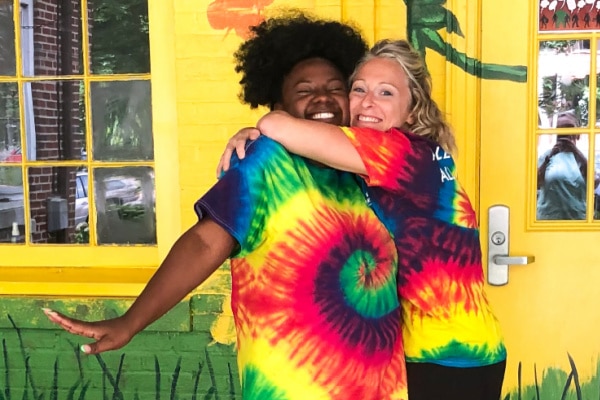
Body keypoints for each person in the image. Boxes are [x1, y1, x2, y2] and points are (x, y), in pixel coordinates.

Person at [44, 13, 408, 400]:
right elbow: (206, 241)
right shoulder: (266, 163)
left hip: (382, 385)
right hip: (296, 386)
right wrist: (131, 321)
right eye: (304, 90)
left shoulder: (367, 166)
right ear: (277, 106)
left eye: (336, 88)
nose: (322, 98)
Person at [221, 38, 507, 400]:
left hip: (449, 357)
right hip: (452, 349)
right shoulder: (395, 157)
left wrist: (264, 128)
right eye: (359, 89)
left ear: (412, 108)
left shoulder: (400, 154)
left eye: (386, 93)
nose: (368, 102)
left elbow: (280, 126)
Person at [537, 112, 588, 220]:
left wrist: (576, 152)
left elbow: (594, 183)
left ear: (577, 134)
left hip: (577, 221)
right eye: (561, 130)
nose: (565, 134)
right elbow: (535, 183)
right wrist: (551, 156)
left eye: (569, 129)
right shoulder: (546, 156)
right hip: (548, 220)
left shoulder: (584, 158)